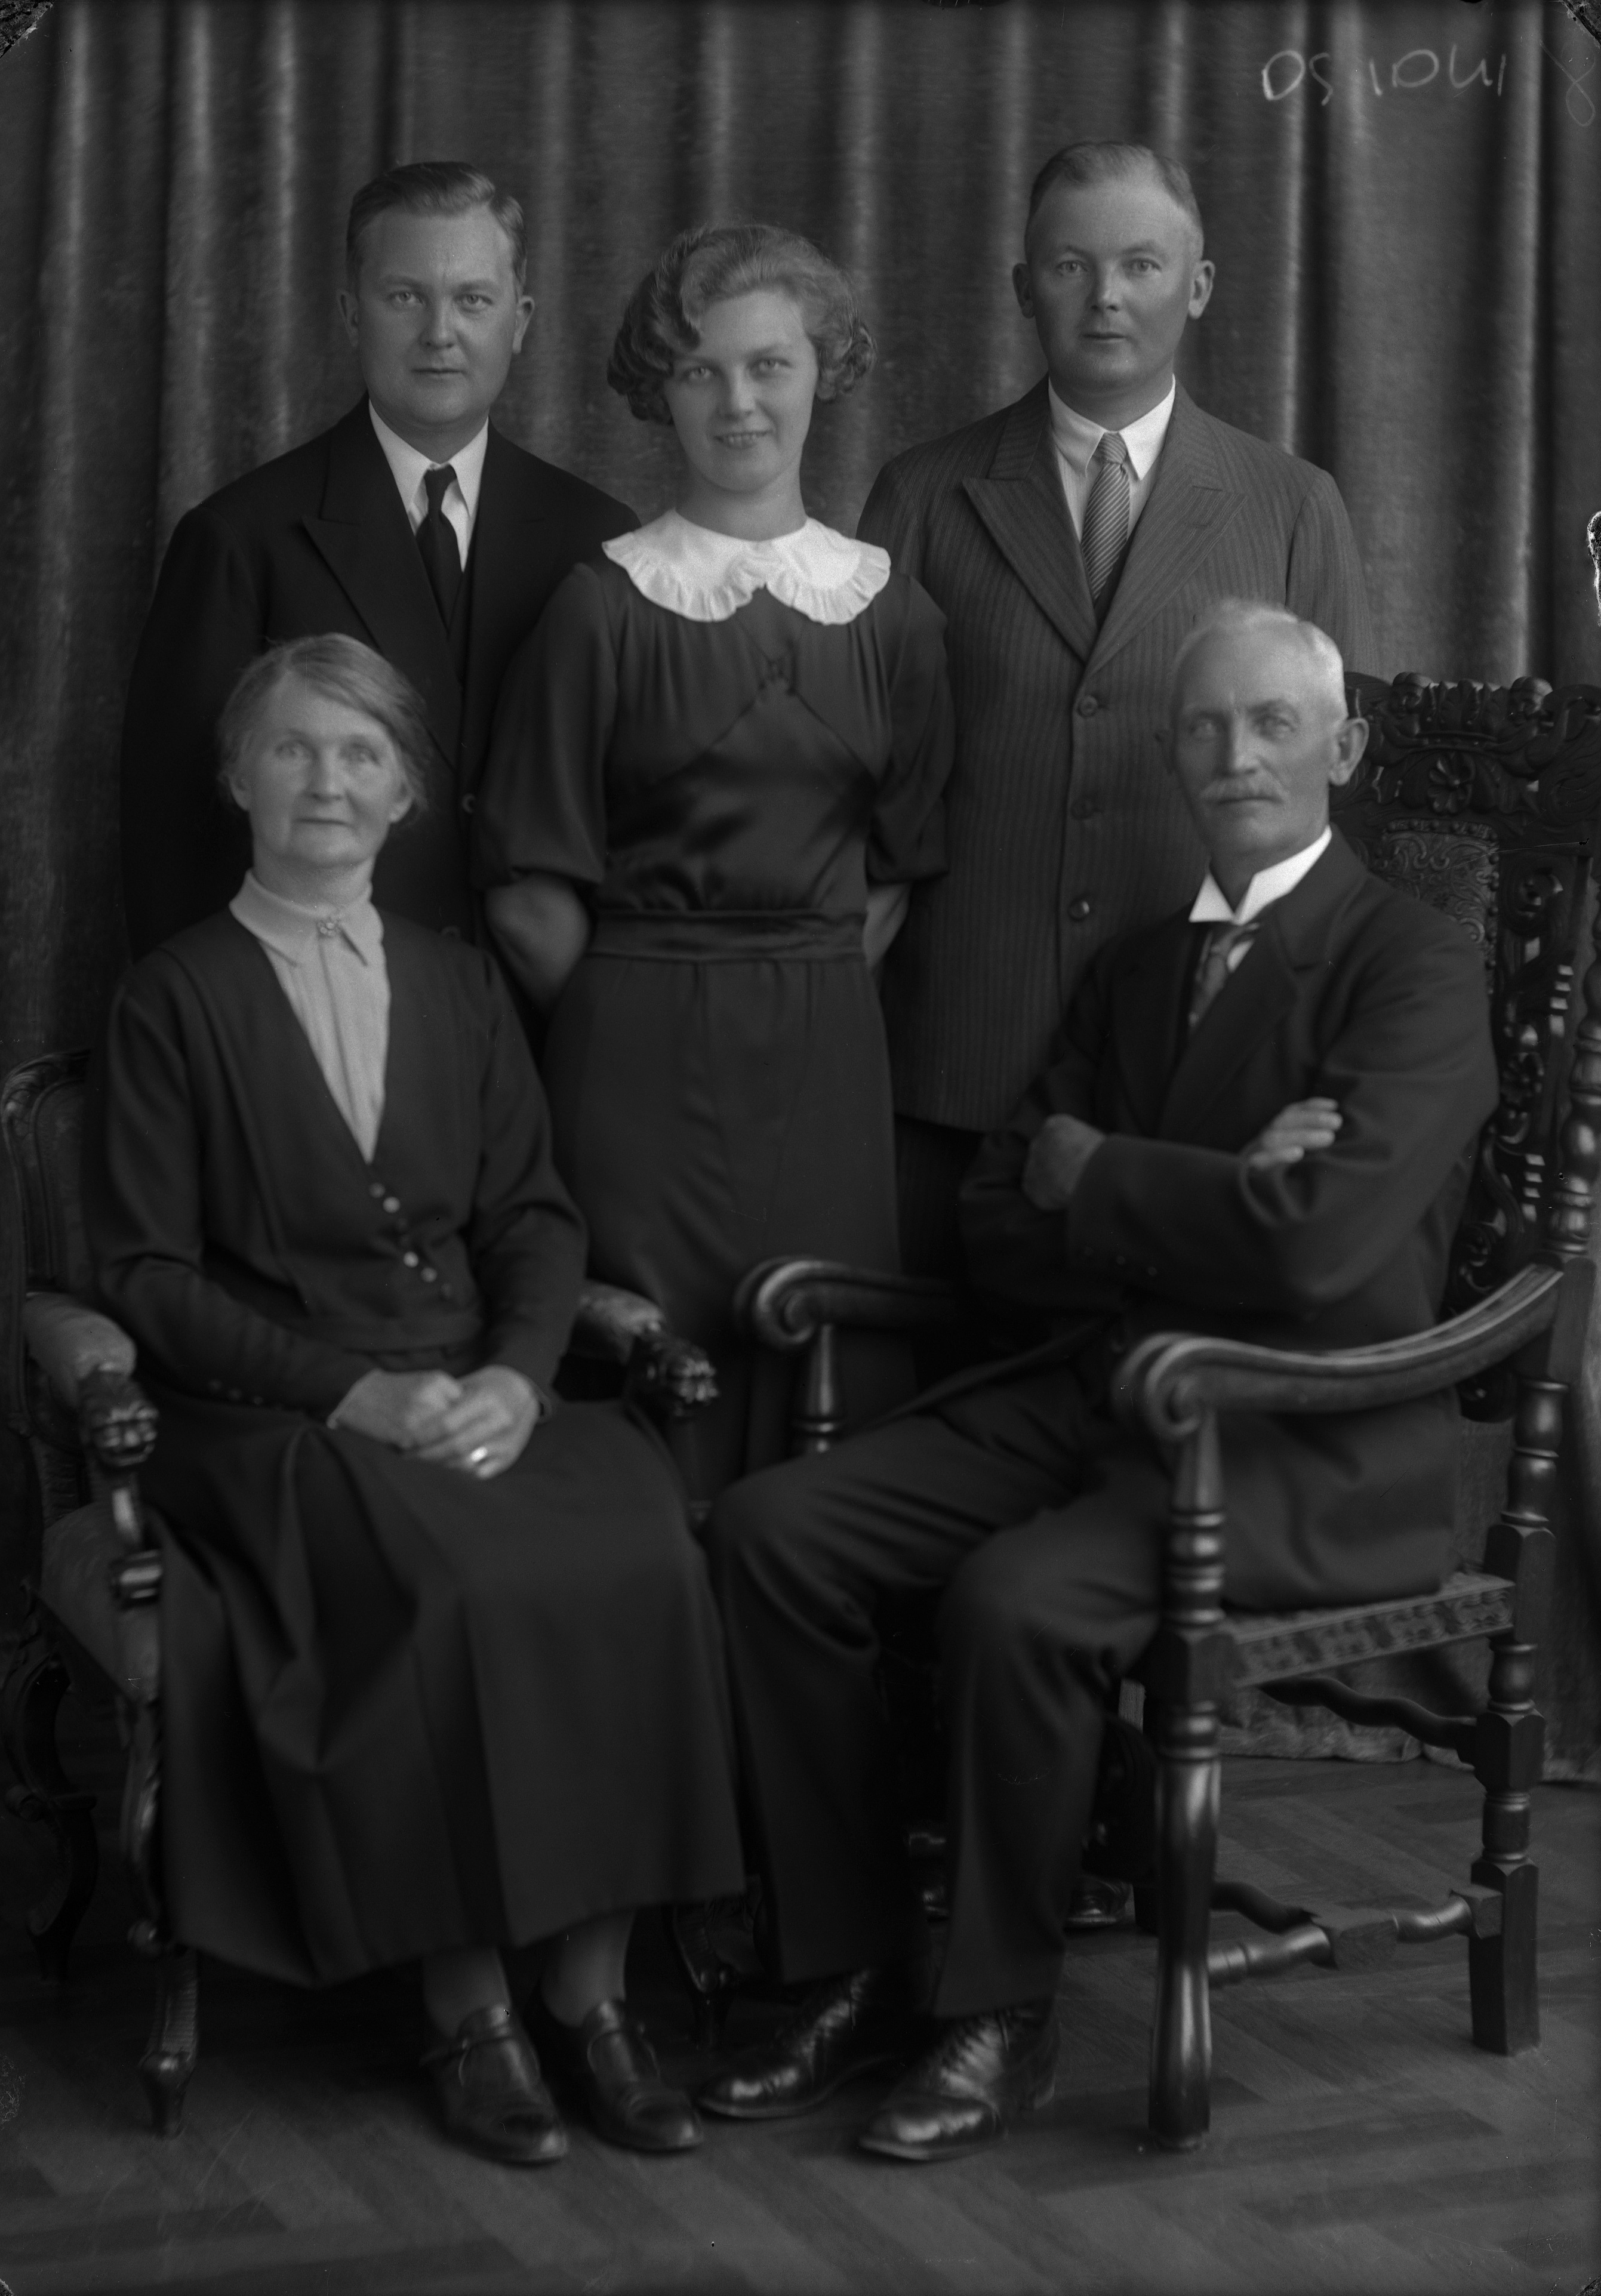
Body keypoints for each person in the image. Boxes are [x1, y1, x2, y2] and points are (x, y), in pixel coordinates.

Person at [698, 602, 1498, 2163]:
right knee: (769, 1532)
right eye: (1203, 727)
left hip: (1289, 1435)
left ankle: (997, 2011)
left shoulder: (1410, 962)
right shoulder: (1139, 968)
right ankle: (852, 1961)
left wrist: (1110, 1173)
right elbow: (997, 1219)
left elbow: (1319, 1247)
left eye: (1271, 723)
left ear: (1342, 748)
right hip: (1093, 1392)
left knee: (1017, 1600)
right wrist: (1220, 1186)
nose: (1233, 755)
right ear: (1172, 756)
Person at [87, 634, 745, 2166]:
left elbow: (535, 1221)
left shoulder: (459, 983)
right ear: (237, 777)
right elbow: (146, 1275)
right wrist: (353, 1398)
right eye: (293, 747)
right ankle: (469, 2008)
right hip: (270, 1415)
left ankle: (591, 1994)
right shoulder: (170, 997)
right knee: (449, 1580)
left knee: (641, 1547)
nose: (326, 780)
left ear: (406, 793)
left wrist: (516, 1377)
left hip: (478, 1384)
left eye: (360, 753)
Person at [475, 224, 954, 1500]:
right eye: (700, 371)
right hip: (632, 1059)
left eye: (768, 365)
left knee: (824, 1383)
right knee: (652, 1387)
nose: (738, 402)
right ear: (659, 391)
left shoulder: (894, 614)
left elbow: (896, 872)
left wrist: (795, 989)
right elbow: (525, 897)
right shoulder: (599, 605)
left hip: (826, 1058)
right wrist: (641, 1013)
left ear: (823, 372)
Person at [859, 141, 1379, 1280]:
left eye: (1141, 265)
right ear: (1022, 287)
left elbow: (1327, 811)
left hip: (1194, 1076)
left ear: (1196, 286)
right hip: (955, 1060)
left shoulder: (1292, 506)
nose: (1105, 296)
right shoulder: (922, 495)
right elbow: (870, 782)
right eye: (1070, 266)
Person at [119, 162, 634, 954]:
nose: (439, 332)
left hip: (539, 1014)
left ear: (520, 321)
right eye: (405, 297)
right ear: (351, 315)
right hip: (315, 1011)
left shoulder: (600, 537)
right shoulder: (238, 539)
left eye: (473, 299)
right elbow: (174, 849)